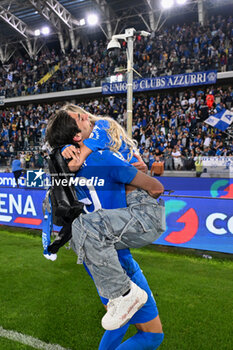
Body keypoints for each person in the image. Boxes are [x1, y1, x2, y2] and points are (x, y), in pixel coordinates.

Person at [46, 110, 165, 348]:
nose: (86, 116)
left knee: (120, 322)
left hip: (96, 262)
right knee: (152, 335)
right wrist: (140, 175)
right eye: (80, 119)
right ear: (78, 136)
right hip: (118, 259)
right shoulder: (104, 159)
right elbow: (156, 188)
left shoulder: (66, 167)